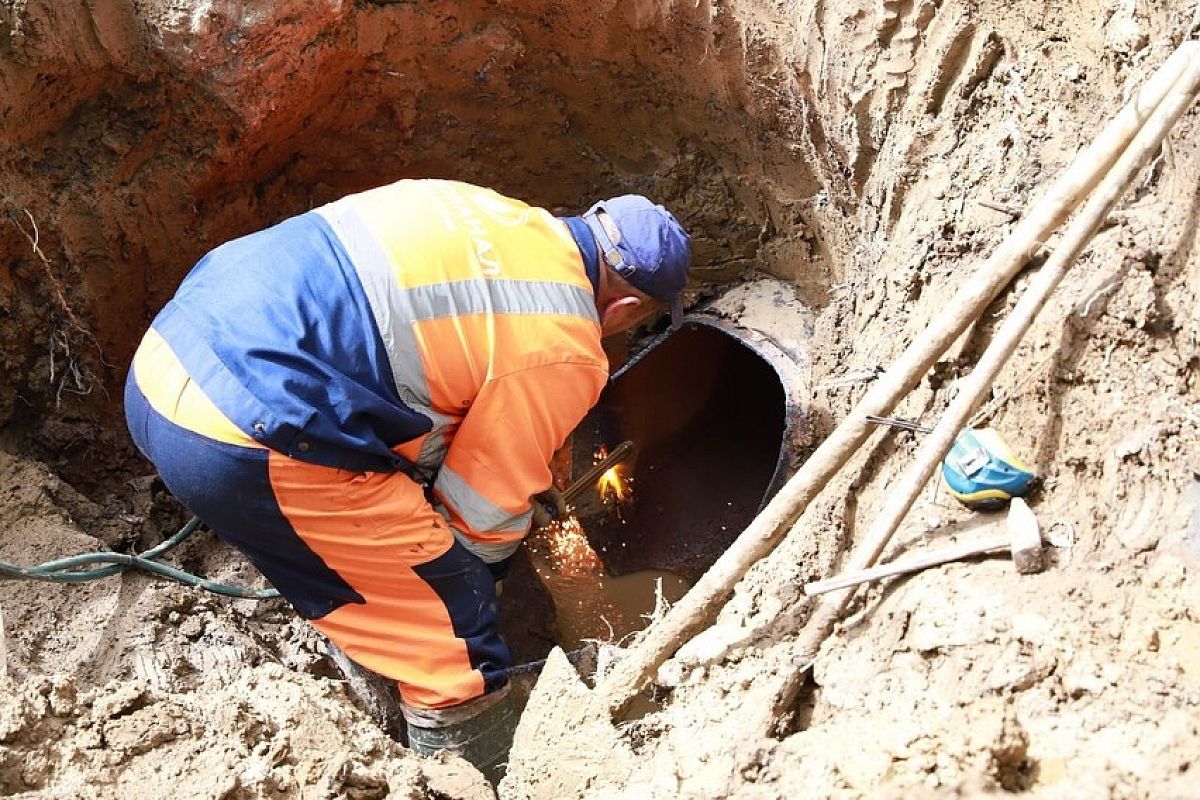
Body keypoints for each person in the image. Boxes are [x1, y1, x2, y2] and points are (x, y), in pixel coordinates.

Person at [122, 178, 691, 778]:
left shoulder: (488, 209)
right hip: (241, 438)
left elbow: (408, 358)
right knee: (455, 635)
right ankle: (468, 774)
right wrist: (483, 586)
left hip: (164, 366)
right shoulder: (566, 342)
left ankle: (364, 625)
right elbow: (482, 517)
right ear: (627, 309)